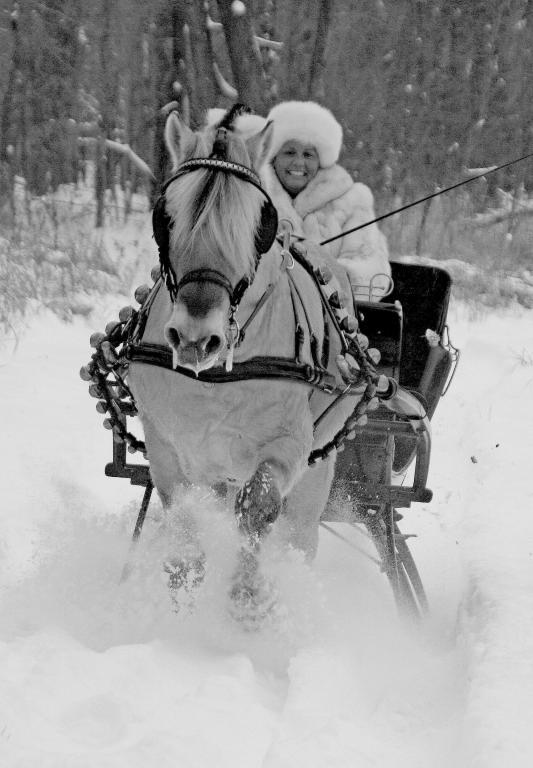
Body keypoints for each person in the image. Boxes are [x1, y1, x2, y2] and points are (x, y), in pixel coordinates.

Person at [261, 100, 391, 301]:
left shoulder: (352, 201)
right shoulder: (253, 197)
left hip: (335, 321)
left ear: (321, 160)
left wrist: (328, 276)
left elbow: (372, 272)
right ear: (273, 156)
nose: (298, 162)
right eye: (289, 152)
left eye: (308, 155)